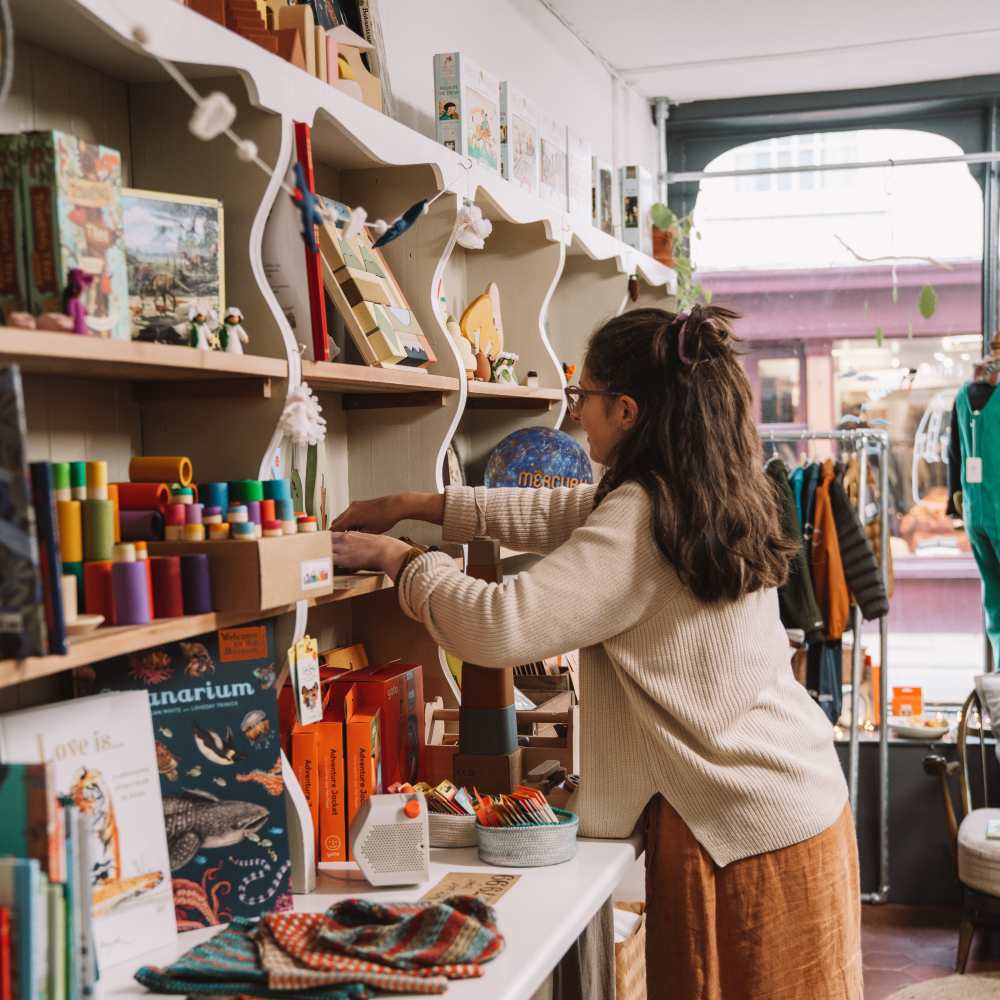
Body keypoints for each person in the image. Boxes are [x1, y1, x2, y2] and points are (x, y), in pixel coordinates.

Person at [331, 305, 862, 1000]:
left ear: (627, 410)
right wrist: (419, 502)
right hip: (787, 805)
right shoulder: (698, 488)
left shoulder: (643, 516)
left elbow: (499, 623)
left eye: (583, 396)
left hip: (743, 832)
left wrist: (404, 561)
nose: (576, 413)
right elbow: (559, 512)